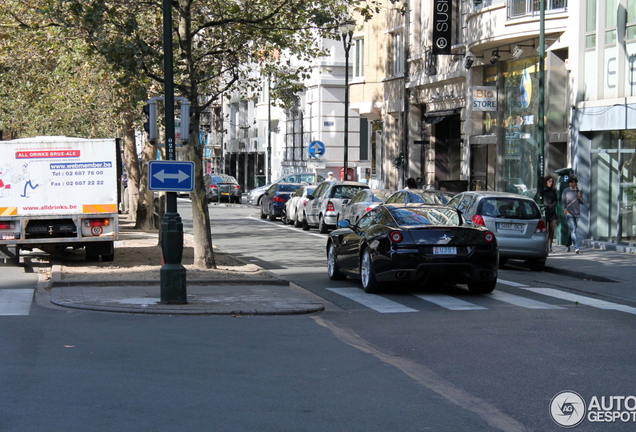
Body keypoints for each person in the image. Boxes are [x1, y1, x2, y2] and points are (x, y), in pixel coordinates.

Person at [561, 174, 585, 254]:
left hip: (577, 213)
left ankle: (567, 245)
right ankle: (577, 248)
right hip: (569, 213)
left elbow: (583, 202)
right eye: (570, 182)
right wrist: (566, 210)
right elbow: (563, 202)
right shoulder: (566, 191)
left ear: (576, 183)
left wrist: (579, 198)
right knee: (573, 231)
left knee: (572, 231)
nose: (571, 184)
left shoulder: (579, 190)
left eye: (572, 182)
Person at [542, 175, 558, 253]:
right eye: (549, 181)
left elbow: (555, 200)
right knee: (545, 230)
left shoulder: (553, 190)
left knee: (552, 229)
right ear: (546, 182)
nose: (551, 183)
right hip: (545, 212)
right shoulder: (542, 190)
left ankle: (550, 246)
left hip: (552, 212)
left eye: (552, 181)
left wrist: (552, 206)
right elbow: (537, 199)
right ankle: (544, 246)